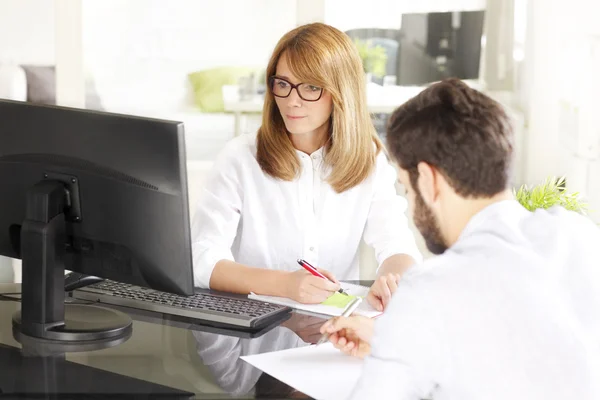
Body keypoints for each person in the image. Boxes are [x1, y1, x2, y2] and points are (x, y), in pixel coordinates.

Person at [320, 78, 600, 399]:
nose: (411, 203)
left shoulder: (430, 288)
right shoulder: (582, 236)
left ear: (428, 180)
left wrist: (398, 343)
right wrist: (393, 340)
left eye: (407, 188)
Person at [191, 22, 421, 310]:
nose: (292, 101)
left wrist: (393, 281)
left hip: (333, 336)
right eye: (283, 84)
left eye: (311, 87)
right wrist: (285, 285)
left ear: (341, 92)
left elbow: (397, 245)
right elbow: (201, 258)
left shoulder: (370, 161)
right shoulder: (240, 157)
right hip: (253, 332)